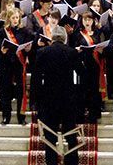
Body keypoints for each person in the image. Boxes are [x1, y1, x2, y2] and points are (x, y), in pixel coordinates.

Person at [34, 25, 80, 165]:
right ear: (65, 38)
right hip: (68, 99)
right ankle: (71, 162)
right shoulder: (72, 52)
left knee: (49, 136)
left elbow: (36, 78)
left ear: (52, 38)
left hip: (49, 100)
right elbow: (81, 74)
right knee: (71, 134)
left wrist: (36, 100)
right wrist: (77, 93)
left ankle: (51, 162)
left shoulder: (42, 52)